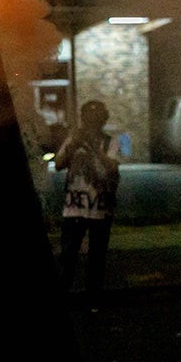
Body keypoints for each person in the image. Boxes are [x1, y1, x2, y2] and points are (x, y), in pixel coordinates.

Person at [53, 100, 121, 310]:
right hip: (74, 206)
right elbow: (58, 164)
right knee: (68, 256)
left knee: (97, 257)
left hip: (100, 207)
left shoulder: (111, 141)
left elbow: (111, 168)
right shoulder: (74, 137)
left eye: (96, 118)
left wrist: (91, 145)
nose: (92, 123)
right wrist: (72, 146)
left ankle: (94, 299)